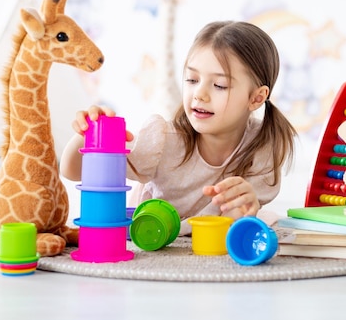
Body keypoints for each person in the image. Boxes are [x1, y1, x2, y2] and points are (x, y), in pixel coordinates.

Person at [60, 20, 297, 234]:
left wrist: (244, 207)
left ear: (256, 98)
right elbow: (72, 171)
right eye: (192, 80)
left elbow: (236, 221)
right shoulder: (164, 139)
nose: (199, 95)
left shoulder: (264, 143)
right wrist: (89, 135)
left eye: (219, 85)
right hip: (152, 234)